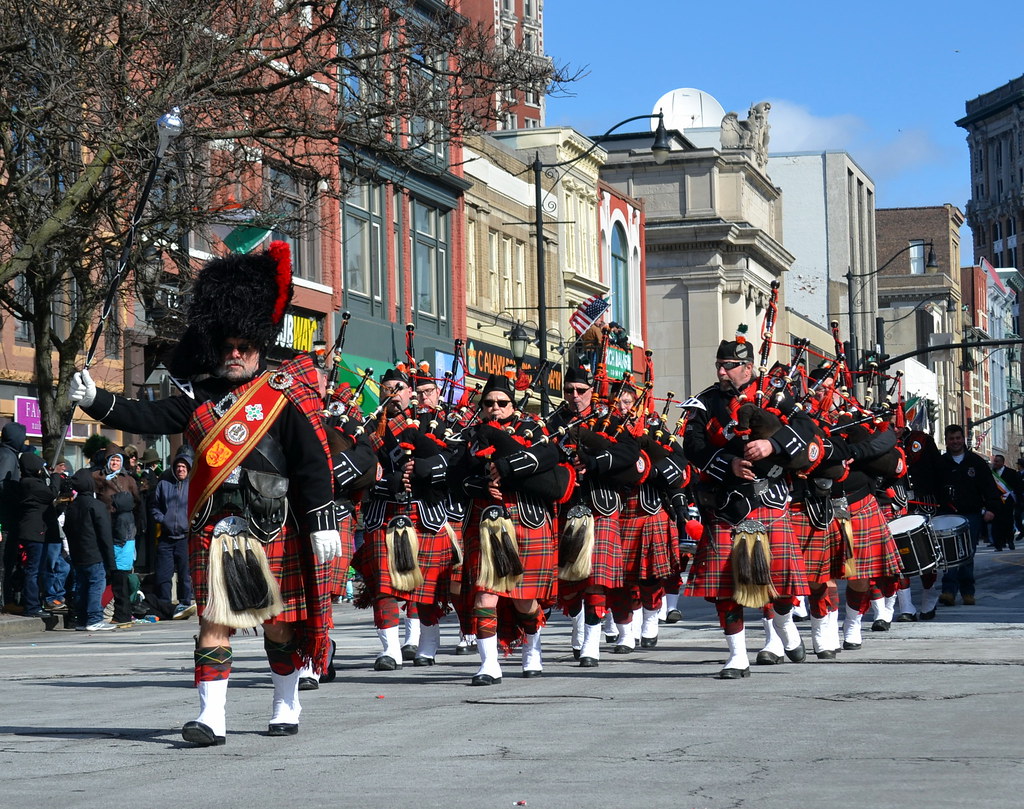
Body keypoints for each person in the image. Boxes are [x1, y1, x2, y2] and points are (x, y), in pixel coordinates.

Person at [70, 241, 342, 746]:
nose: (235, 354)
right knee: (214, 624)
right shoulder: (197, 400)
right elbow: (144, 417)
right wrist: (97, 401)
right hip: (216, 528)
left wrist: (323, 520)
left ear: (260, 343)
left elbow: (311, 464)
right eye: (227, 346)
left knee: (278, 628)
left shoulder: (282, 394)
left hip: (274, 523)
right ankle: (211, 718)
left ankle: (286, 701)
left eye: (244, 345)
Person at [683, 336, 812, 679]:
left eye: (728, 366)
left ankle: (784, 623)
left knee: (782, 585)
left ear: (748, 367)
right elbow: (692, 447)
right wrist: (729, 464)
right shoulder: (705, 402)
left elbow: (807, 429)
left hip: (769, 499)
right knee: (727, 588)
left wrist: (771, 445)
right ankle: (737, 656)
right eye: (719, 366)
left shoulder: (776, 395)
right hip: (728, 505)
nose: (722, 372)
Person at [456, 373, 564, 683]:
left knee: (523, 600)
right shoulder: (470, 435)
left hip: (526, 520)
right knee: (485, 595)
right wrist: (482, 486)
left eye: (502, 402)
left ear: (512, 405)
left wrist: (506, 468)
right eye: (488, 403)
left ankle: (532, 648)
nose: (495, 408)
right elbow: (457, 478)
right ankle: (489, 665)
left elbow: (549, 457)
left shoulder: (532, 428)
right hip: (486, 522)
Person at [350, 366, 457, 671]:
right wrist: (389, 482)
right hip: (384, 511)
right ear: (380, 392)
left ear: (411, 392)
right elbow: (361, 471)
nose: (393, 394)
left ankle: (426, 644)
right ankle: (391, 650)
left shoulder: (431, 423)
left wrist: (424, 471)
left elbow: (450, 461)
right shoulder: (367, 429)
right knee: (384, 585)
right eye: (387, 388)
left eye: (399, 388)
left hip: (424, 513)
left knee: (426, 586)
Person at [549, 366, 640, 668]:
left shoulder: (610, 421)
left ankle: (592, 641)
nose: (574, 396)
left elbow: (631, 455)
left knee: (596, 580)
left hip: (600, 506)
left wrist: (596, 460)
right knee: (570, 582)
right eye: (568, 390)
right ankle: (578, 626)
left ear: (592, 391)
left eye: (580, 390)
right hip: (566, 507)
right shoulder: (553, 422)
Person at [936, 425, 1001, 606]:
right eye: (951, 438)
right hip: (947, 515)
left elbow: (989, 487)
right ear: (946, 440)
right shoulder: (940, 463)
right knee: (948, 556)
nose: (955, 441)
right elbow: (932, 487)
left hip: (970, 514)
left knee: (967, 554)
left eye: (958, 438)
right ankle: (948, 591)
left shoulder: (976, 462)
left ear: (963, 439)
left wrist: (991, 509)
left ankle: (967, 592)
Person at [93, 445, 141, 627]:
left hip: (125, 530)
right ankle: (112, 610)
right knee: (110, 572)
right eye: (112, 459)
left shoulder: (128, 479)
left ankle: (122, 613)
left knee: (121, 571)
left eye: (117, 460)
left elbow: (138, 503)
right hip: (106, 527)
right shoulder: (98, 477)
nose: (114, 463)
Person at [64, 469, 117, 631]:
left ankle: (81, 619)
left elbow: (67, 530)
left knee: (81, 585)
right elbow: (105, 535)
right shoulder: (96, 506)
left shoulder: (72, 507)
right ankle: (94, 618)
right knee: (95, 585)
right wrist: (111, 562)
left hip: (77, 554)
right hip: (94, 553)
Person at [150, 447, 196, 619]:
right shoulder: (164, 485)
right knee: (164, 574)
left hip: (185, 537)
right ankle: (164, 606)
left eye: (184, 467)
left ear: (189, 468)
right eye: (178, 467)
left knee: (185, 574)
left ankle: (185, 603)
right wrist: (163, 520)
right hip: (166, 537)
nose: (181, 469)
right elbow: (154, 507)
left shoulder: (193, 485)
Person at [16, 453, 62, 617]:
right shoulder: (31, 484)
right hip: (35, 532)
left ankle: (36, 603)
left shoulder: (30, 482)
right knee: (33, 570)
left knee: (36, 569)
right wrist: (55, 475)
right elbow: (51, 493)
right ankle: (32, 606)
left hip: (37, 531)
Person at [0, 421, 28, 611]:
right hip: (6, 518)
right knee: (5, 561)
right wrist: (19, 494)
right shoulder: (7, 456)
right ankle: (5, 601)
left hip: (7, 516)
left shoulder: (7, 453)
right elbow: (3, 484)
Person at [989, 454, 1018, 551]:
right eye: (994, 461)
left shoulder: (1011, 472)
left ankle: (1010, 541)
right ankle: (999, 545)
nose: (995, 463)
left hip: (1008, 501)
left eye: (997, 461)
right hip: (996, 502)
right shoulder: (991, 474)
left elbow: (1017, 487)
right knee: (996, 524)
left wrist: (1017, 500)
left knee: (1008, 522)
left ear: (1002, 462)